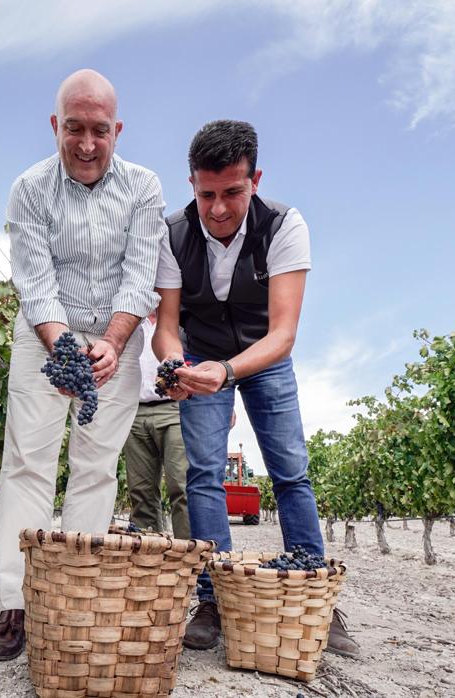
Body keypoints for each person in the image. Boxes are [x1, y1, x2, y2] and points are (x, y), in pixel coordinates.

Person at [152, 119, 359, 657]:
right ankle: (212, 599)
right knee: (202, 474)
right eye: (206, 195)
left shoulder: (285, 226)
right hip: (200, 354)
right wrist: (177, 368)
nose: (218, 208)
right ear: (192, 184)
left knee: (291, 471)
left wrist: (228, 370)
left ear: (255, 180)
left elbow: (284, 335)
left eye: (232, 193)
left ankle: (315, 593)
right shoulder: (172, 233)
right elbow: (167, 328)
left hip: (262, 357)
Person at [0, 69, 167, 662]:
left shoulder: (143, 188)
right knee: (28, 464)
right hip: (46, 337)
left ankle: (75, 592)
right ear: (56, 125)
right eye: (76, 129)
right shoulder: (29, 189)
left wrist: (112, 343)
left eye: (99, 131)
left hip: (117, 338)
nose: (87, 144)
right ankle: (16, 600)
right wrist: (64, 344)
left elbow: (141, 275)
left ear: (117, 130)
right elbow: (34, 283)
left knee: (96, 467)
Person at [121, 313, 189, 539]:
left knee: (182, 487)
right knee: (140, 492)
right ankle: (147, 561)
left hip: (176, 409)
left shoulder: (181, 315)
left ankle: (188, 561)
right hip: (134, 409)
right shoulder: (128, 316)